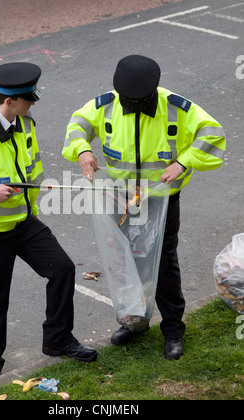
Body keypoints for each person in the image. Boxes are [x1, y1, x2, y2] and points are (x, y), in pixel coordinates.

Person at [62, 55, 226, 360]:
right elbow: (77, 125)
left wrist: (182, 162)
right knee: (126, 263)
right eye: (127, 101)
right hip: (120, 199)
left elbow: (212, 134)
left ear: (152, 93)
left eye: (138, 101)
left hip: (160, 200)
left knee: (162, 265)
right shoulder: (106, 104)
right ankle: (134, 323)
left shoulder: (176, 107)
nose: (131, 105)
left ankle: (174, 330)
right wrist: (83, 149)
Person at [0, 62, 97, 382]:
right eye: (29, 98)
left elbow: (29, 168)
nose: (34, 102)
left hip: (24, 222)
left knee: (63, 269)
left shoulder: (26, 124)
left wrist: (35, 196)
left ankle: (58, 339)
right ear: (9, 102)